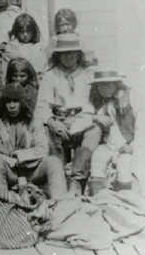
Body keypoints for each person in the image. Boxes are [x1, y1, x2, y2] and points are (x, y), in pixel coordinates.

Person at [0, 83, 69, 197]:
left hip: (34, 171)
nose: (12, 106)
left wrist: (12, 153)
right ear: (3, 103)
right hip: (10, 172)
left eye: (16, 101)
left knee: (54, 161)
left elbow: (42, 150)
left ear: (22, 102)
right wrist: (23, 158)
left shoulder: (34, 118)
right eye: (8, 102)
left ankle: (61, 203)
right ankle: (0, 204)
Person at [36, 33, 96, 185]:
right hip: (61, 119)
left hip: (83, 119)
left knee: (94, 132)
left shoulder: (88, 74)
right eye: (63, 54)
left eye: (71, 53)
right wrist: (51, 120)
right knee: (51, 134)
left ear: (78, 55)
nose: (67, 57)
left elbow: (108, 89)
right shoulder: (51, 76)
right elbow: (42, 105)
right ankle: (59, 179)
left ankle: (79, 178)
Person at [85, 72, 138, 194]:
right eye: (101, 85)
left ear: (116, 84)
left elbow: (143, 127)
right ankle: (99, 197)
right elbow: (83, 118)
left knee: (124, 165)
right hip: (107, 145)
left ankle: (124, 198)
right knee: (97, 157)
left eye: (109, 85)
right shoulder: (96, 103)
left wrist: (133, 146)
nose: (105, 88)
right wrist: (96, 118)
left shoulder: (128, 100)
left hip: (126, 146)